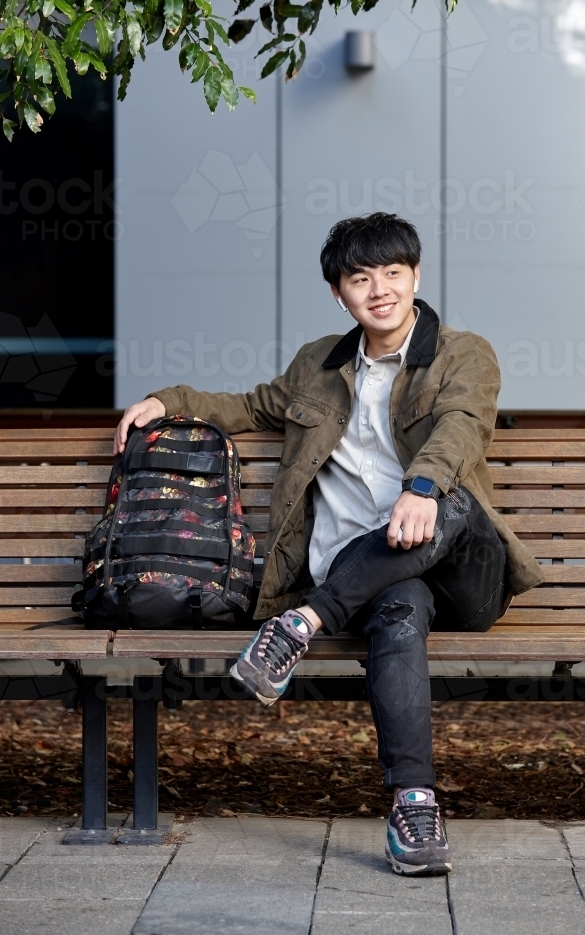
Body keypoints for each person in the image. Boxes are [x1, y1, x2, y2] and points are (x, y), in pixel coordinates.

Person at [115, 212, 543, 876]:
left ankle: (302, 623)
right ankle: (413, 803)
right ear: (339, 293)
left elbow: (460, 427)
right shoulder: (317, 364)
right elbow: (249, 405)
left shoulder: (462, 353)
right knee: (397, 605)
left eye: (393, 273)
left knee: (450, 501)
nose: (380, 289)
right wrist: (164, 400)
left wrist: (421, 488)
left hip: (461, 571)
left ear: (416, 276)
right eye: (360, 277)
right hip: (369, 579)